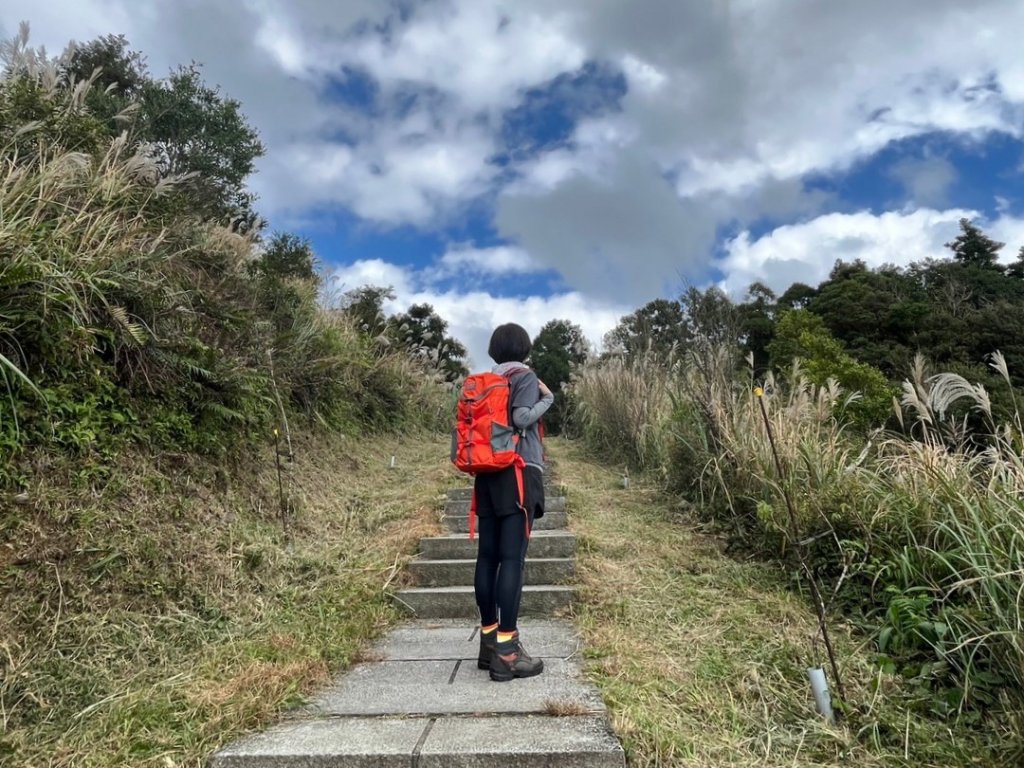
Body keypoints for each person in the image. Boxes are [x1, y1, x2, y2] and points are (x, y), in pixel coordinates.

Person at [474, 323, 553, 682]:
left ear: (494, 350)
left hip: (487, 473)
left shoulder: (487, 382)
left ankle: (489, 643)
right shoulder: (524, 377)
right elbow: (522, 418)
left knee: (487, 558)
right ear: (524, 348)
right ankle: (508, 652)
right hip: (519, 472)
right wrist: (547, 400)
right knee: (512, 560)